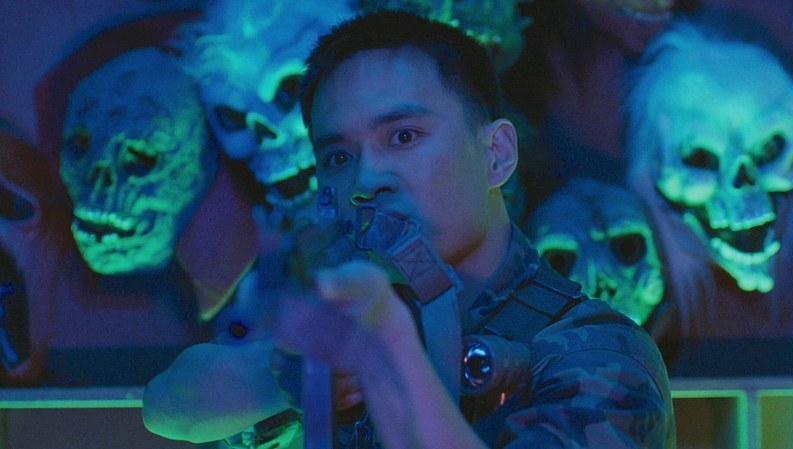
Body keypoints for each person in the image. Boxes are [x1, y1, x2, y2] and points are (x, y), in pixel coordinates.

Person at [143, 10, 676, 448]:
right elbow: (170, 407)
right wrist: (297, 374)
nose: (366, 179)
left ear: (495, 154)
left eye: (403, 136)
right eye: (338, 156)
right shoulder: (349, 321)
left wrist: (391, 354)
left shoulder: (599, 355)